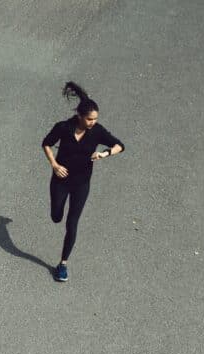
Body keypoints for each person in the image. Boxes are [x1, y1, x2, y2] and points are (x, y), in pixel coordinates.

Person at [42, 81, 124, 282]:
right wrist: (54, 164)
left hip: (81, 184)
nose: (93, 122)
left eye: (95, 119)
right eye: (89, 119)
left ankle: (63, 264)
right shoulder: (63, 128)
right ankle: (56, 213)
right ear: (79, 116)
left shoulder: (97, 131)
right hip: (60, 180)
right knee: (56, 216)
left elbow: (120, 145)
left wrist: (104, 154)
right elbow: (46, 143)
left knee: (72, 223)